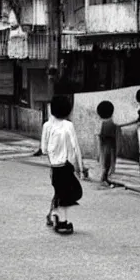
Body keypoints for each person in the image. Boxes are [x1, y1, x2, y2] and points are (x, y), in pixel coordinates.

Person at [41, 95, 85, 234]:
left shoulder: (47, 126)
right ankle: (60, 220)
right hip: (66, 167)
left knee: (60, 192)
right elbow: (76, 148)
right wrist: (81, 169)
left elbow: (43, 149)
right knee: (65, 195)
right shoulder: (68, 125)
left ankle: (53, 216)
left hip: (54, 167)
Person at [96, 100, 117, 186]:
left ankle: (104, 177)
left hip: (103, 145)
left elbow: (99, 136)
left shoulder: (101, 123)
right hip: (110, 145)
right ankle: (105, 178)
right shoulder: (111, 123)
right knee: (108, 163)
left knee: (104, 162)